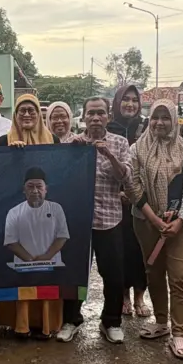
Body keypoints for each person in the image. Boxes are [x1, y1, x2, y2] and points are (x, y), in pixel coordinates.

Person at [127, 100, 183, 360]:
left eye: (165, 117)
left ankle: (180, 332)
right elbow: (133, 186)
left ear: (174, 120)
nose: (159, 122)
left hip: (182, 224)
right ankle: (161, 322)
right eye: (155, 117)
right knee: (154, 272)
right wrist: (156, 221)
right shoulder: (137, 149)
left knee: (180, 276)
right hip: (146, 221)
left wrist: (180, 221)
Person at [61, 96, 135, 344]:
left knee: (112, 274)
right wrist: (72, 154)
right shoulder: (72, 143)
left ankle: (111, 321)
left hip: (109, 220)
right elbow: (61, 178)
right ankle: (71, 320)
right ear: (83, 116)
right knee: (76, 273)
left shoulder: (120, 142)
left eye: (100, 113)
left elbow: (125, 178)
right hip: (78, 222)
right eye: (90, 113)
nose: (95, 118)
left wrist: (108, 154)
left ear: (108, 116)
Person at [0, 94, 62, 340]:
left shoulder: (53, 140)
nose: (26, 114)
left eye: (31, 110)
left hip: (46, 218)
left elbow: (61, 171)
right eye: (21, 110)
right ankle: (19, 324)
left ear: (39, 115)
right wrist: (11, 156)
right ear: (15, 115)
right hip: (18, 216)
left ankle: (45, 324)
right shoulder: (4, 141)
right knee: (20, 269)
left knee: (46, 268)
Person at [3, 167, 70, 336]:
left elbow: (62, 237)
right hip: (23, 265)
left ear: (46, 189)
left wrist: (46, 257)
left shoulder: (56, 209)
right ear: (24, 190)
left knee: (48, 293)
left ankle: (48, 328)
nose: (35, 191)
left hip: (51, 264)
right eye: (30, 186)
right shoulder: (14, 212)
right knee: (24, 294)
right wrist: (29, 260)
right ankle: (22, 328)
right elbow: (11, 242)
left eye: (39, 186)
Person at [109, 84, 149, 318]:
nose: (130, 104)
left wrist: (136, 194)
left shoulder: (147, 127)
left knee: (141, 249)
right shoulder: (108, 129)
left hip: (143, 200)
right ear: (117, 102)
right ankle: (124, 295)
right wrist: (117, 193)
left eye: (134, 100)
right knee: (120, 250)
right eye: (125, 99)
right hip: (114, 202)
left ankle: (140, 296)